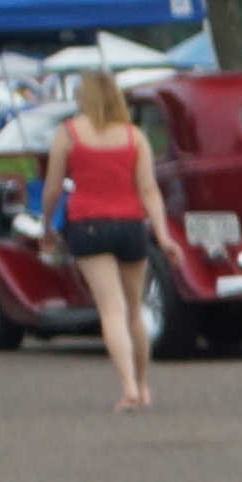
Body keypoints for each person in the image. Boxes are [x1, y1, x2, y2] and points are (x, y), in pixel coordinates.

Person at [49, 67, 180, 412]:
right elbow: (149, 190)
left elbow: (52, 187)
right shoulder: (134, 137)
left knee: (111, 310)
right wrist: (164, 236)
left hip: (87, 224)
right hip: (130, 224)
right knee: (135, 310)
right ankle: (142, 383)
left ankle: (127, 389)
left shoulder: (68, 134)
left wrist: (46, 224)